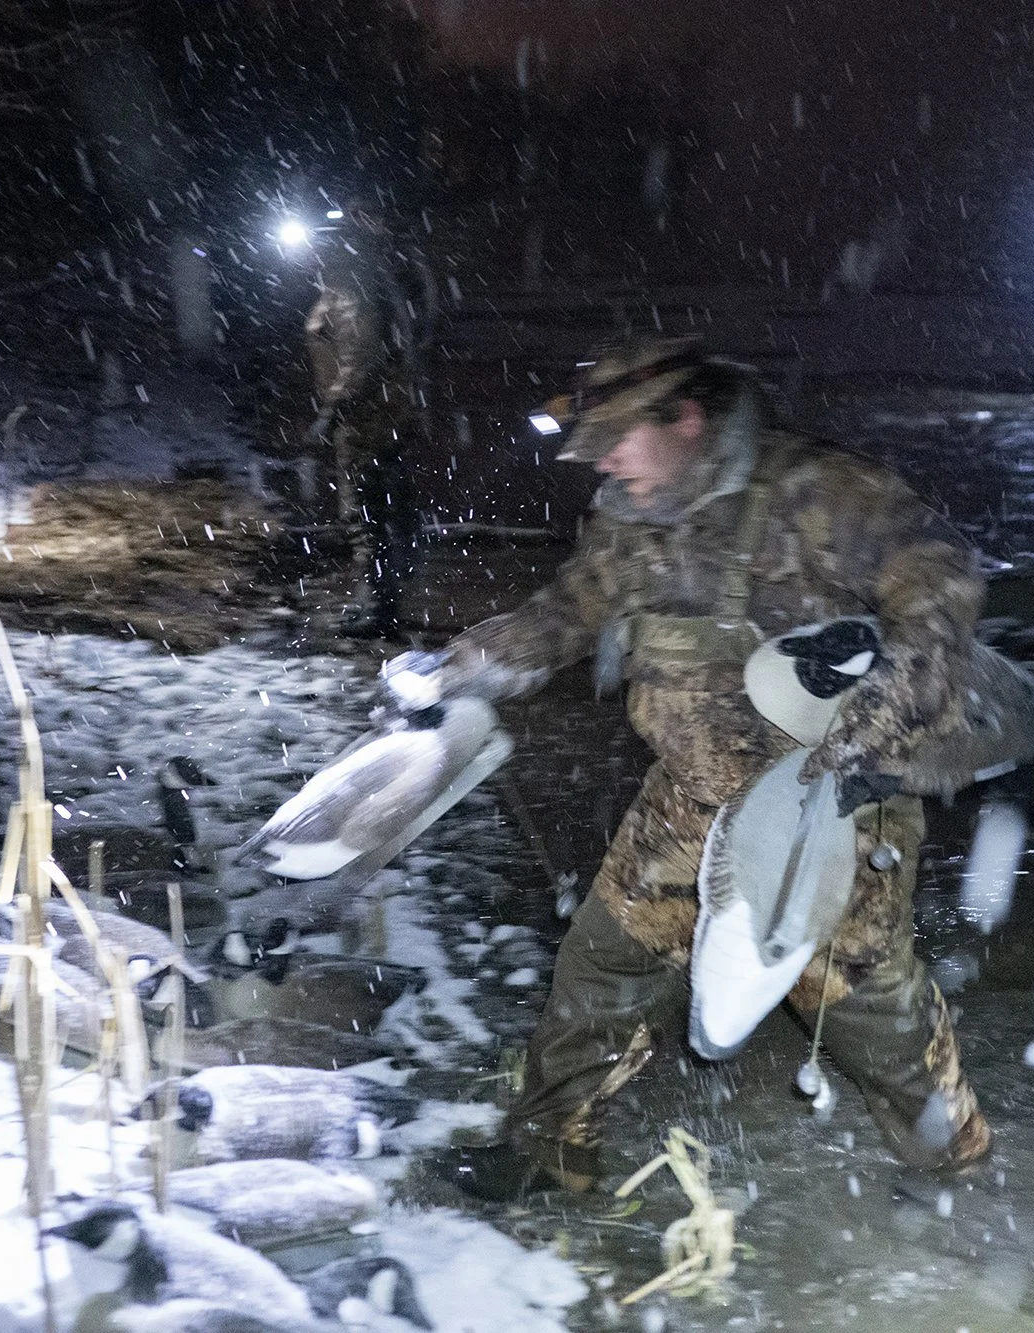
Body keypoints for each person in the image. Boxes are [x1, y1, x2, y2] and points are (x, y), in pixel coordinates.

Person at [402, 335, 993, 1198]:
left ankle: (952, 1159)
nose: (603, 461)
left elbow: (940, 591)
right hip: (690, 790)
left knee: (860, 1004)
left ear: (685, 417)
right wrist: (458, 667)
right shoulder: (630, 517)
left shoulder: (821, 492)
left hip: (823, 800)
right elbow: (566, 612)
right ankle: (551, 1150)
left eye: (617, 440)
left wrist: (877, 728)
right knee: (604, 963)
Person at [302, 207, 431, 638]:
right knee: (387, 506)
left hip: (365, 416)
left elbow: (361, 352)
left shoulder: (348, 280)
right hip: (386, 409)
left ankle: (377, 607)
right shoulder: (370, 274)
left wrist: (331, 410)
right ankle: (385, 597)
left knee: (364, 511)